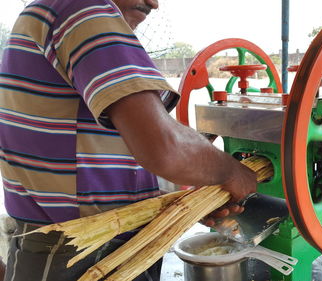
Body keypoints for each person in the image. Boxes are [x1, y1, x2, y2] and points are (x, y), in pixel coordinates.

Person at [0, 0, 256, 280]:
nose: (153, 4)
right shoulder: (83, 8)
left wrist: (192, 198)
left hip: (62, 250)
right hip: (81, 255)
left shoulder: (48, 14)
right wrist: (232, 172)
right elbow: (165, 148)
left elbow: (100, 157)